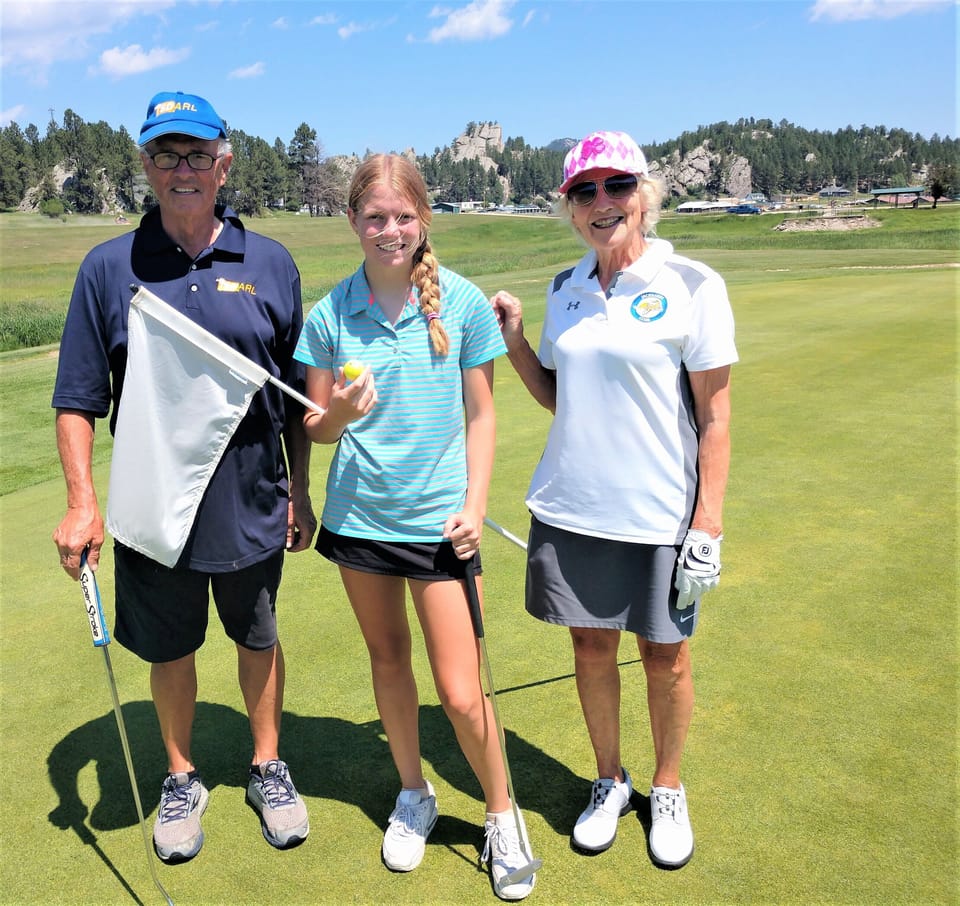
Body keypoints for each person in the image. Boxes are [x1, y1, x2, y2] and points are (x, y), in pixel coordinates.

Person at [52, 91, 316, 862]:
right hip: (153, 503)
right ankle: (180, 776)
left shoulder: (270, 263)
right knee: (170, 647)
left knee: (258, 635)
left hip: (252, 499)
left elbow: (293, 395)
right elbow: (77, 399)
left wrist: (300, 489)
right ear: (146, 165)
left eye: (198, 153)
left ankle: (267, 765)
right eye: (166, 155)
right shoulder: (109, 269)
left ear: (224, 165)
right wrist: (81, 503)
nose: (183, 169)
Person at [293, 153, 535, 901]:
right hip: (360, 519)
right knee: (388, 661)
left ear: (423, 219)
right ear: (352, 222)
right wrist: (338, 414)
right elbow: (316, 427)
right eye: (375, 217)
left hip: (441, 527)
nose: (389, 230)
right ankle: (413, 792)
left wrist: (475, 504)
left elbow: (483, 416)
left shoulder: (461, 304)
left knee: (461, 693)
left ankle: (501, 813)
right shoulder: (330, 314)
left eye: (403, 216)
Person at [492, 130, 737, 868]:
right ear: (568, 207)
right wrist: (516, 342)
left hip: (661, 511)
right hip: (574, 505)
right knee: (590, 647)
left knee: (666, 659)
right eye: (584, 191)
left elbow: (716, 416)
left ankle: (667, 787)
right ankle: (610, 780)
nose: (603, 202)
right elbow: (558, 397)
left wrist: (708, 525)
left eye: (617, 185)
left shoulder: (692, 283)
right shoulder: (564, 288)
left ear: (644, 194)